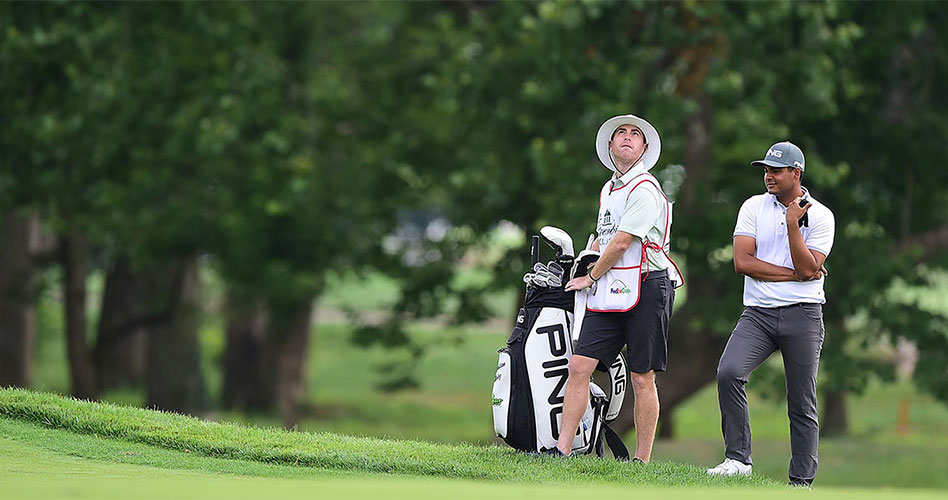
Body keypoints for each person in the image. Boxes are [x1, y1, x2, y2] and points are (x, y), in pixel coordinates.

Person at [706, 141, 835, 487]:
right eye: (765, 170)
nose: (768, 176)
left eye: (776, 170)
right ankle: (737, 459)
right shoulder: (752, 207)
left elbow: (810, 269)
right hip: (758, 314)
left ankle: (801, 482)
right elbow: (743, 262)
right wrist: (795, 274)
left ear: (796, 173)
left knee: (801, 399)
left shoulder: (821, 216)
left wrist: (794, 225)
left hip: (803, 316)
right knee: (729, 372)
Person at [556, 115, 683, 462]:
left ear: (643, 148)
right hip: (612, 285)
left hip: (647, 286)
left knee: (642, 376)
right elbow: (605, 237)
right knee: (579, 366)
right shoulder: (608, 190)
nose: (627, 138)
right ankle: (560, 450)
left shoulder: (645, 188)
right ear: (610, 147)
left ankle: (641, 462)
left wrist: (591, 276)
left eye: (635, 134)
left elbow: (624, 241)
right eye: (620, 134)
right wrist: (588, 256)